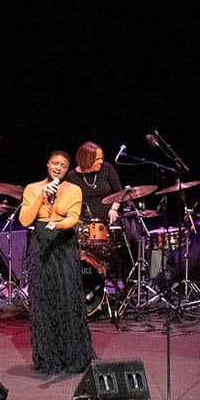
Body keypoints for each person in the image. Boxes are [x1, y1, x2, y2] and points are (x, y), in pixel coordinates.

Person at [18, 150, 97, 374]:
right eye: (55, 163)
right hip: (41, 243)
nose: (58, 168)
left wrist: (58, 225)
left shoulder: (74, 190)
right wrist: (41, 196)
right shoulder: (33, 188)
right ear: (48, 164)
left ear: (66, 168)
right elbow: (25, 220)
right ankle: (48, 357)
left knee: (67, 296)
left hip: (64, 244)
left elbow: (72, 217)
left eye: (63, 165)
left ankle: (73, 355)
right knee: (43, 298)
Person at [66, 140, 139, 272]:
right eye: (97, 159)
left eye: (101, 158)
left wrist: (114, 209)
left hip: (110, 221)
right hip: (85, 226)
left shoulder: (107, 168)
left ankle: (128, 277)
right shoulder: (72, 177)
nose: (101, 161)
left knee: (131, 240)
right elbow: (68, 203)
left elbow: (119, 193)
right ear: (86, 160)